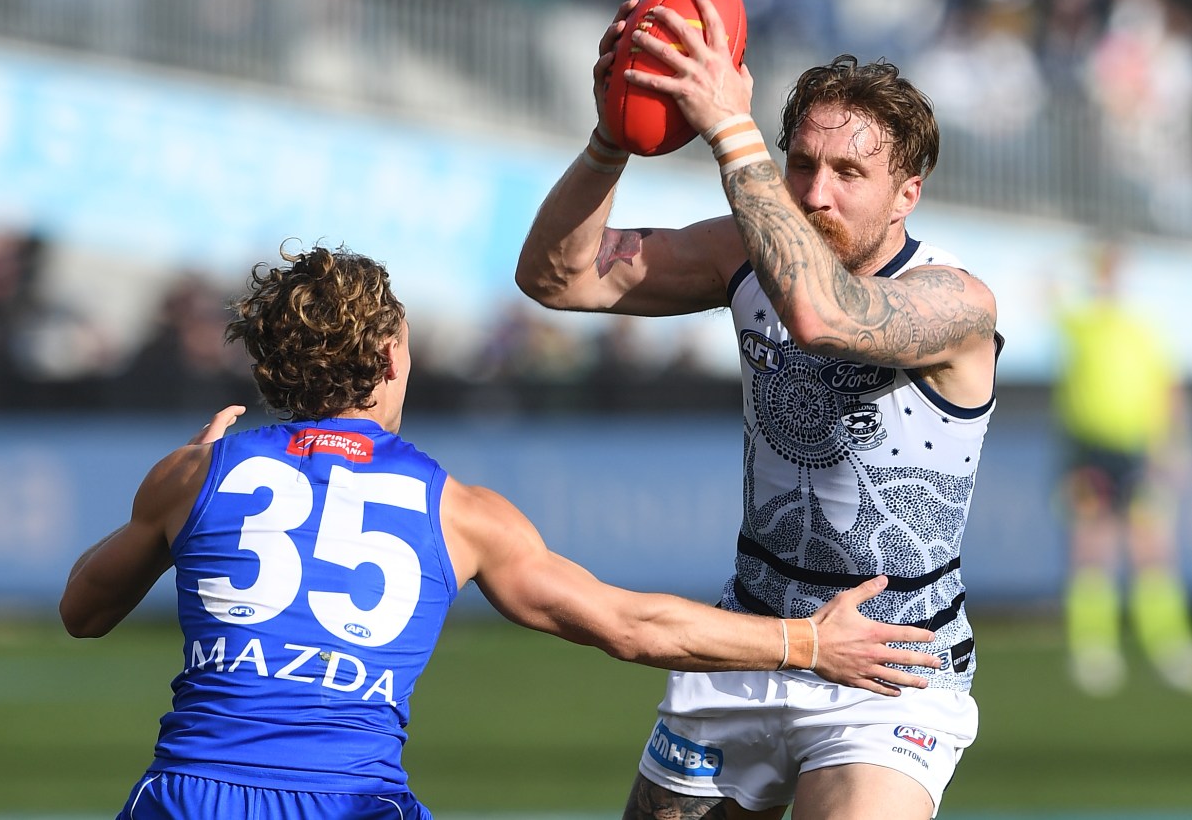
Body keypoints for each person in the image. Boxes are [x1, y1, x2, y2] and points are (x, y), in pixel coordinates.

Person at [59, 244, 943, 820]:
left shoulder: (195, 476)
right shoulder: (458, 512)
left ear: (269, 368)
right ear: (391, 357)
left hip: (189, 795)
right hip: (350, 800)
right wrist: (804, 643)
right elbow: (628, 627)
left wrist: (183, 475)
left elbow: (82, 611)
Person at [515, 0, 1001, 820]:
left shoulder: (955, 303)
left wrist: (728, 129)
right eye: (801, 163)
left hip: (889, 670)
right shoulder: (744, 254)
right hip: (748, 640)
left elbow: (826, 318)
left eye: (849, 173)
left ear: (906, 194)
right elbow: (556, 276)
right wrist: (610, 139)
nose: (815, 192)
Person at [1053, 241, 1192, 697]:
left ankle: (1168, 645)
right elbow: (1045, 292)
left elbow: (1168, 392)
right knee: (1092, 549)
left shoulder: (1143, 330)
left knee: (1152, 550)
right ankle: (1093, 649)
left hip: (1139, 455)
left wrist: (1170, 451)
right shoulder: (1080, 323)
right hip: (1090, 453)